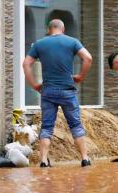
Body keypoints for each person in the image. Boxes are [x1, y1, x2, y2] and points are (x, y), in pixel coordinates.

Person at [23, 19, 93, 168]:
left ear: (49, 30)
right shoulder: (72, 42)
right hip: (67, 90)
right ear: (63, 29)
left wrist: (34, 84)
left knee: (47, 126)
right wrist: (80, 76)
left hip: (48, 91)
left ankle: (43, 160)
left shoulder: (39, 44)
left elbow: (26, 64)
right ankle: (85, 159)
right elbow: (88, 58)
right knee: (75, 125)